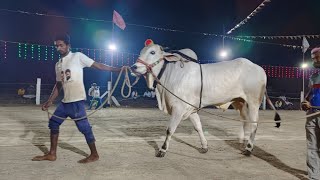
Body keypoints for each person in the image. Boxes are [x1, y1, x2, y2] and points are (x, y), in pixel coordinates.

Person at [32, 34, 121, 163]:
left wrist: (117, 70)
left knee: (84, 128)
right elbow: (58, 85)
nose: (58, 48)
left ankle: (94, 154)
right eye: (56, 46)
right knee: (53, 123)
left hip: (77, 102)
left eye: (61, 45)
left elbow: (98, 66)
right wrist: (50, 101)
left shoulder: (77, 57)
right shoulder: (58, 65)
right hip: (65, 103)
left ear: (68, 46)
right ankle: (52, 154)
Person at [301, 46, 320, 179]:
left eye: (318, 57)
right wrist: (304, 102)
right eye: (313, 58)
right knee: (312, 147)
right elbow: (310, 94)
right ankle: (314, 177)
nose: (315, 60)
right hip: (312, 115)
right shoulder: (313, 77)